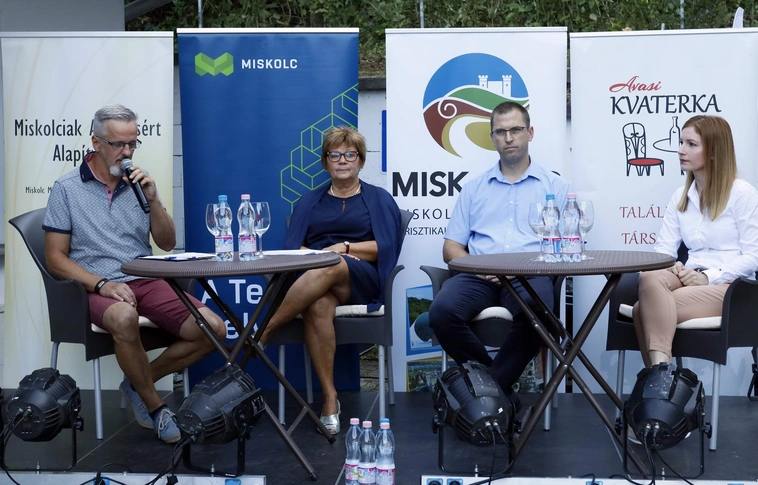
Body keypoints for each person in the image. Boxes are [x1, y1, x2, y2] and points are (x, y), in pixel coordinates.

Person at [43, 104, 227, 443]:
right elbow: (55, 258)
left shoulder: (140, 184)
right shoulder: (67, 188)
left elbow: (166, 243)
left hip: (144, 278)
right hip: (95, 285)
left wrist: (154, 200)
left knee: (213, 329)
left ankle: (137, 383)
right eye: (118, 144)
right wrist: (102, 284)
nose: (127, 152)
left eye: (132, 143)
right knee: (124, 317)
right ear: (96, 143)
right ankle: (156, 408)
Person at [259, 126, 402, 434]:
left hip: (363, 279)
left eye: (350, 154)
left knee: (334, 263)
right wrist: (321, 256)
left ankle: (266, 327)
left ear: (361, 161)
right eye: (334, 155)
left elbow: (387, 246)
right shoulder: (310, 201)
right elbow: (292, 248)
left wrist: (344, 249)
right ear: (325, 163)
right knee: (318, 305)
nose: (342, 160)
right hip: (319, 278)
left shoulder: (378, 199)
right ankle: (330, 399)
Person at [428, 101, 570, 409]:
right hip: (479, 275)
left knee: (539, 314)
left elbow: (564, 246)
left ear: (530, 133)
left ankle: (488, 393)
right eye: (501, 132)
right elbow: (451, 248)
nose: (509, 137)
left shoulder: (556, 187)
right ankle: (499, 392)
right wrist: (479, 268)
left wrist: (520, 268)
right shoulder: (474, 188)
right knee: (441, 313)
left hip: (529, 274)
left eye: (516, 130)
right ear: (492, 138)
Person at [633, 115, 758, 367]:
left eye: (691, 144)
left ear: (713, 151)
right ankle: (663, 377)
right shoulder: (681, 196)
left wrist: (709, 277)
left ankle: (659, 376)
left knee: (641, 310)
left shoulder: (742, 193)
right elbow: (664, 250)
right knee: (649, 277)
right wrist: (671, 265)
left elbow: (754, 256)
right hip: (689, 275)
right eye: (681, 142)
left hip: (733, 286)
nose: (681, 150)